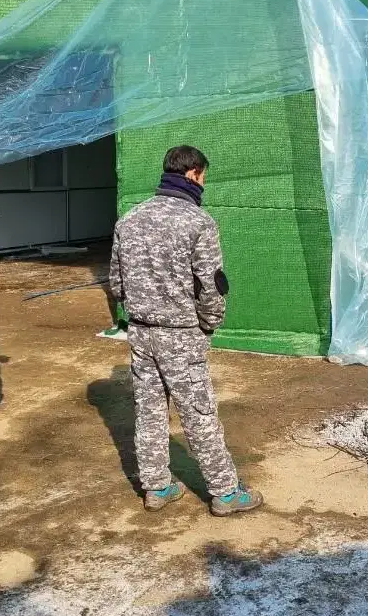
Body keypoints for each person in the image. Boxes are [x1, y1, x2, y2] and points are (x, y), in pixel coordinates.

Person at [109, 145, 263, 516]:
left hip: (140, 333)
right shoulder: (198, 222)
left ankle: (157, 487)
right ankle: (226, 493)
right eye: (203, 176)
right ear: (194, 173)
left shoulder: (129, 220)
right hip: (180, 334)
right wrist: (209, 324)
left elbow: (116, 284)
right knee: (198, 413)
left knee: (148, 411)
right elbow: (211, 286)